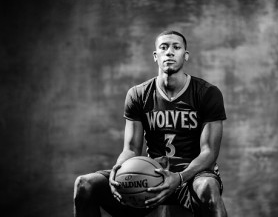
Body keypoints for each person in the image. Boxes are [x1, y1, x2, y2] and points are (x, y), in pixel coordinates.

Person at [74, 30, 228, 217]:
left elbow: (209, 153)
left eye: (176, 47)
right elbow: (131, 148)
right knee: (84, 184)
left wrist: (179, 178)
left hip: (191, 176)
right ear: (156, 56)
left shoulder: (207, 93)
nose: (169, 52)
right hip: (152, 175)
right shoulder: (138, 95)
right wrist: (118, 171)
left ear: (185, 55)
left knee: (208, 187)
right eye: (164, 47)